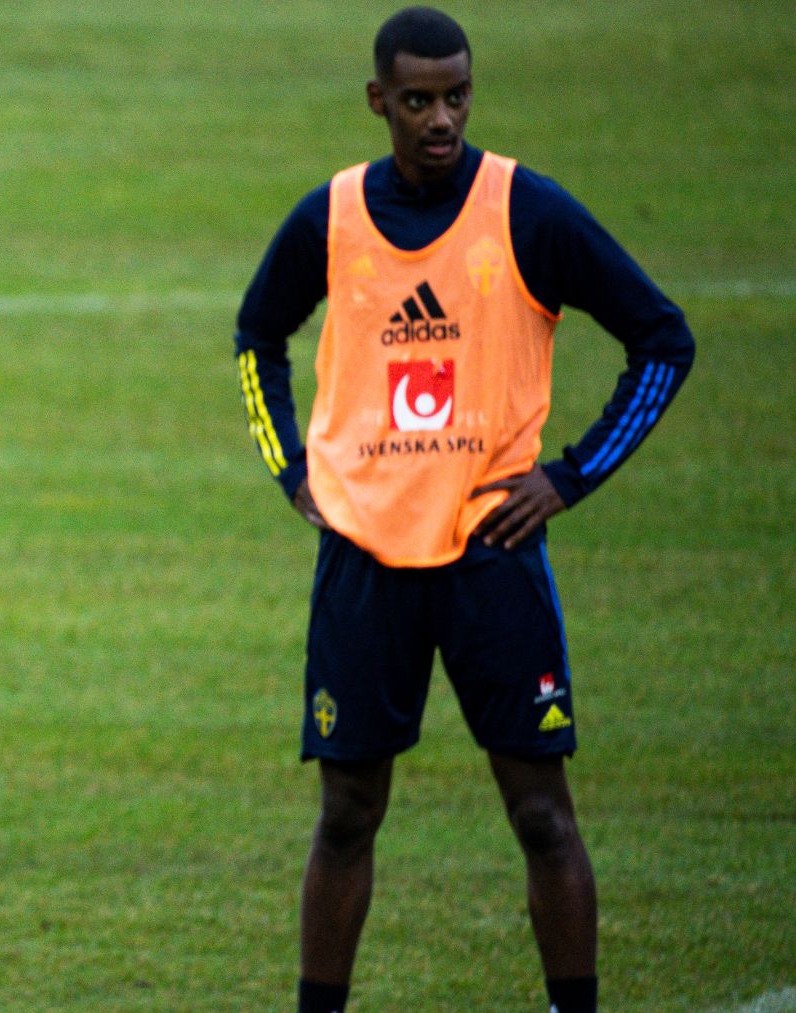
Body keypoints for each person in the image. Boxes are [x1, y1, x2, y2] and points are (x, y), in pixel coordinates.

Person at [231, 8, 694, 1013]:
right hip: (364, 559)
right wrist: (290, 470)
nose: (441, 119)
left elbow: (664, 339)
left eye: (456, 97)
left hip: (492, 557)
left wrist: (568, 476)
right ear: (378, 102)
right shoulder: (333, 216)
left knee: (541, 814)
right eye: (418, 101)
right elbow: (254, 333)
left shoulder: (526, 208)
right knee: (347, 814)